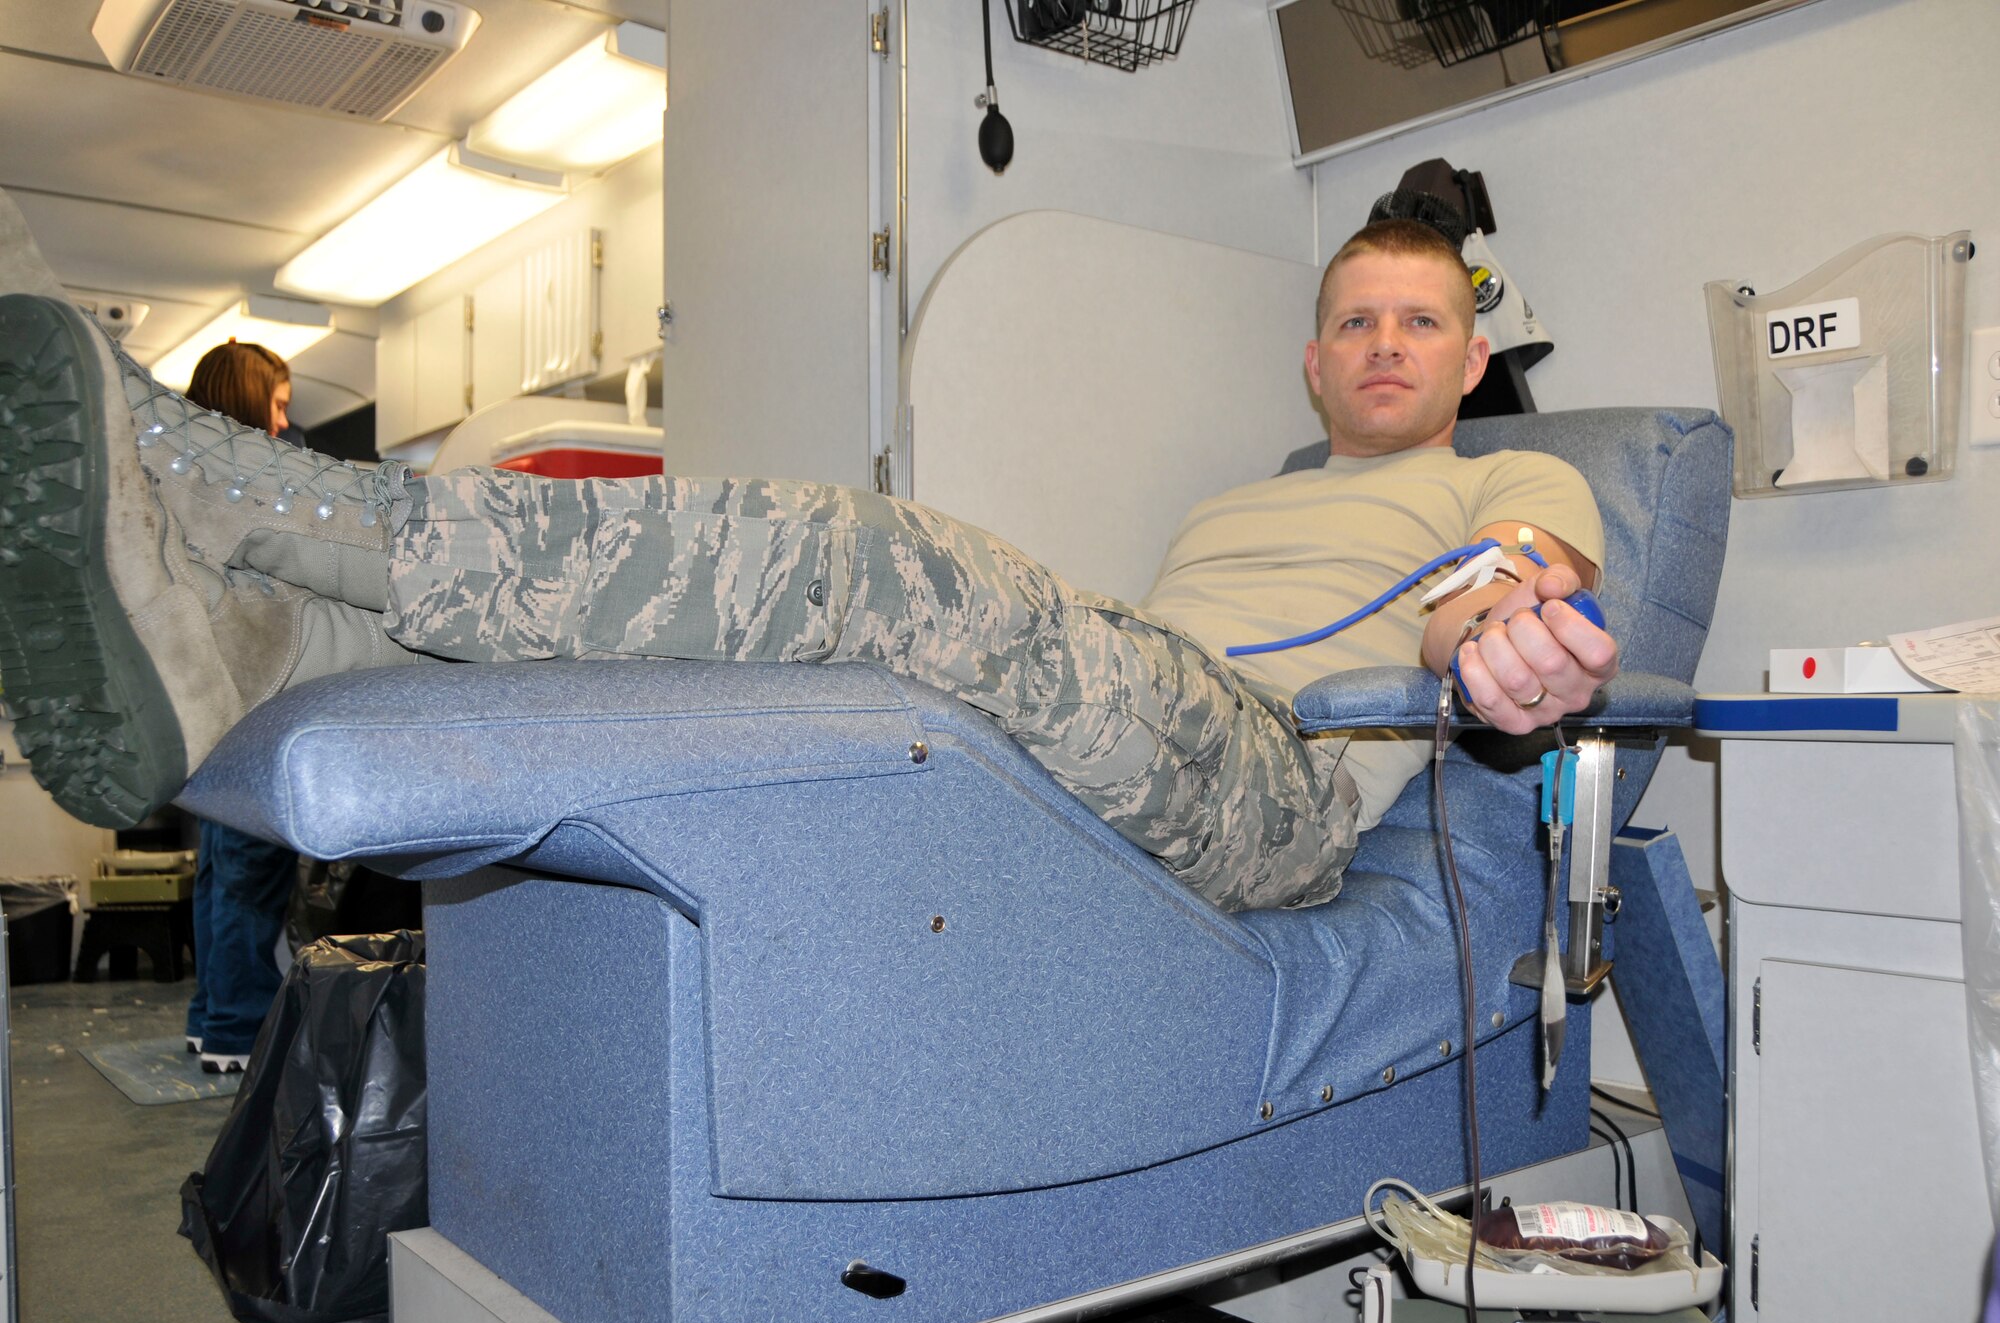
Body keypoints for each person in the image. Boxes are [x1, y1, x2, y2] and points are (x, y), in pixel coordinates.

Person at [0, 218, 1615, 913]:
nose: (1383, 342)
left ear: (1471, 362)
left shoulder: (1516, 472)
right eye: (1353, 320)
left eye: (1418, 321)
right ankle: (269, 658)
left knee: (873, 555)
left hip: (1283, 793)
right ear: (1312, 363)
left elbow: (1507, 587)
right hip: (1149, 722)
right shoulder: (1229, 505)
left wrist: (1492, 641)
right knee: (778, 662)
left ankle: (254, 502)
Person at [175, 341, 303, 1074]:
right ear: (250, 400)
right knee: (253, 869)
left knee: (222, 868)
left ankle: (209, 1019)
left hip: (208, 697)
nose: (283, 424)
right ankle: (239, 1027)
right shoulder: (247, 486)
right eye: (278, 405)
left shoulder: (185, 479)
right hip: (248, 695)